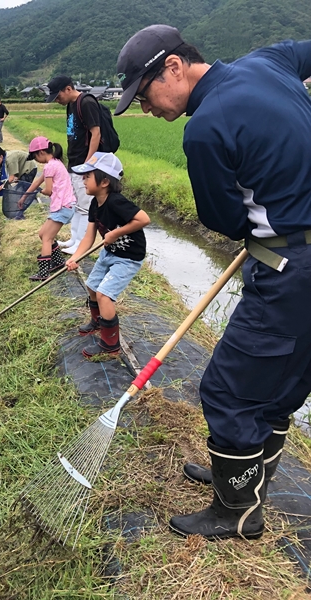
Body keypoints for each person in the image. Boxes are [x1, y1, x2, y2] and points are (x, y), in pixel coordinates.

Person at [114, 25, 311, 541]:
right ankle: (242, 477)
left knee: (227, 390)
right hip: (300, 260)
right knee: (279, 385)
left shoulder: (204, 129)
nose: (146, 109)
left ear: (174, 67)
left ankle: (237, 511)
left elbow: (224, 220)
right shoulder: (271, 61)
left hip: (291, 270)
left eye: (145, 95)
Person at [65, 153, 149, 358]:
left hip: (128, 257)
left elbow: (143, 219)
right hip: (109, 252)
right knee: (92, 286)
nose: (83, 180)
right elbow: (89, 237)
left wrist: (116, 233)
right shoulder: (95, 203)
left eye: (87, 176)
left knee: (104, 294)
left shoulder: (116, 202)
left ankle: (110, 344)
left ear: (104, 182)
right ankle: (97, 321)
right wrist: (75, 258)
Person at [46, 76, 101, 255]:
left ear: (68, 89)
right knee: (76, 203)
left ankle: (81, 245)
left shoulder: (86, 103)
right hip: (74, 161)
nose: (57, 100)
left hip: (84, 163)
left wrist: (88, 164)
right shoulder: (71, 105)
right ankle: (74, 239)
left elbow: (96, 133)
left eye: (58, 96)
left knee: (85, 205)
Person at [17, 136, 75, 280]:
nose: (36, 160)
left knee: (47, 238)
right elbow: (37, 181)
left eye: (35, 157)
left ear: (41, 152)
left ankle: (43, 273)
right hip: (65, 206)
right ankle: (58, 262)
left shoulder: (50, 166)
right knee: (43, 234)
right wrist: (24, 196)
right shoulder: (55, 162)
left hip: (62, 206)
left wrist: (41, 191)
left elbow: (48, 190)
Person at [0, 145, 38, 219]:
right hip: (21, 170)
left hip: (29, 169)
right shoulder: (4, 160)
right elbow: (9, 178)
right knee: (16, 189)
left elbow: (11, 179)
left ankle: (19, 215)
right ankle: (16, 213)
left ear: (1, 157)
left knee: (21, 192)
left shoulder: (10, 160)